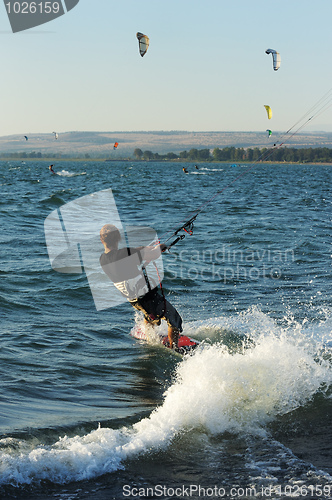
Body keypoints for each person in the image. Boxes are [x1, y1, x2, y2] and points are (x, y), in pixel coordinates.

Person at [99, 224, 182, 350]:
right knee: (174, 319)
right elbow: (154, 254)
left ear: (102, 240)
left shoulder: (103, 259)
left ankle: (151, 340)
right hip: (147, 297)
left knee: (149, 313)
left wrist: (145, 248)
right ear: (118, 238)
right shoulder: (124, 254)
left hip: (134, 300)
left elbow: (135, 253)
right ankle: (174, 349)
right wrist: (160, 247)